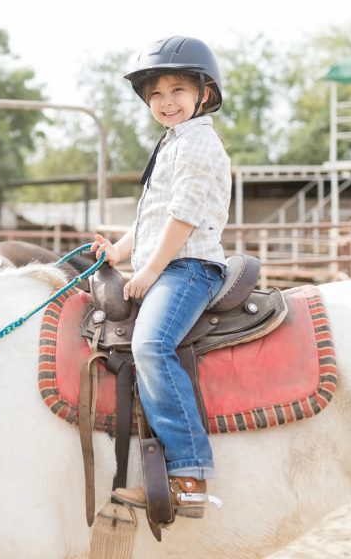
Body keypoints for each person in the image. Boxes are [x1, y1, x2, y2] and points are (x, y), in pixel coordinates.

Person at [89, 36, 230, 519]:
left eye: (177, 91)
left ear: (203, 94)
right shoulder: (171, 144)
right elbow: (150, 218)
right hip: (167, 260)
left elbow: (184, 215)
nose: (167, 102)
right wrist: (118, 250)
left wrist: (148, 270)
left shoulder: (199, 143)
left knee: (152, 345)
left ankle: (188, 475)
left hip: (189, 268)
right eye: (157, 95)